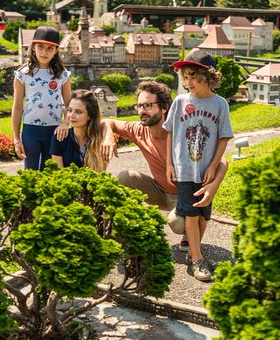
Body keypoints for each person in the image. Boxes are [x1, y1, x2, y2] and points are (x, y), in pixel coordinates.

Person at [101, 79, 227, 251]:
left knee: (177, 223)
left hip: (185, 194)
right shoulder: (139, 129)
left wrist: (213, 186)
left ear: (165, 107)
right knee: (124, 177)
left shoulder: (181, 131)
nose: (142, 111)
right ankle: (124, 228)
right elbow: (109, 121)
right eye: (139, 106)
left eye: (148, 105)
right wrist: (109, 135)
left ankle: (189, 230)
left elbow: (222, 161)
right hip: (160, 190)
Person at [164, 52, 233, 282]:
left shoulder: (220, 104)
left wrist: (213, 166)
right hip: (184, 169)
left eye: (193, 76)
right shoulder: (180, 101)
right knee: (191, 215)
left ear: (208, 76)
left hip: (205, 170)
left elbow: (224, 137)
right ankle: (196, 259)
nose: (188, 82)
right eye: (185, 77)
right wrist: (169, 164)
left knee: (203, 215)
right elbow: (170, 133)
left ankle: (196, 253)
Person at [12, 26, 70, 170]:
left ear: (56, 50)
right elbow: (17, 107)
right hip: (30, 130)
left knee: (50, 172)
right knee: (30, 172)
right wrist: (16, 139)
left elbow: (70, 105)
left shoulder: (62, 75)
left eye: (50, 48)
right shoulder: (22, 74)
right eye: (40, 46)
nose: (44, 52)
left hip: (55, 131)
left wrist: (65, 123)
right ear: (33, 47)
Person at [51, 89, 109, 172]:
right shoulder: (59, 138)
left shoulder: (100, 139)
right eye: (70, 110)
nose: (71, 115)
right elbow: (58, 175)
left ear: (90, 115)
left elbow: (100, 175)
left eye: (78, 112)